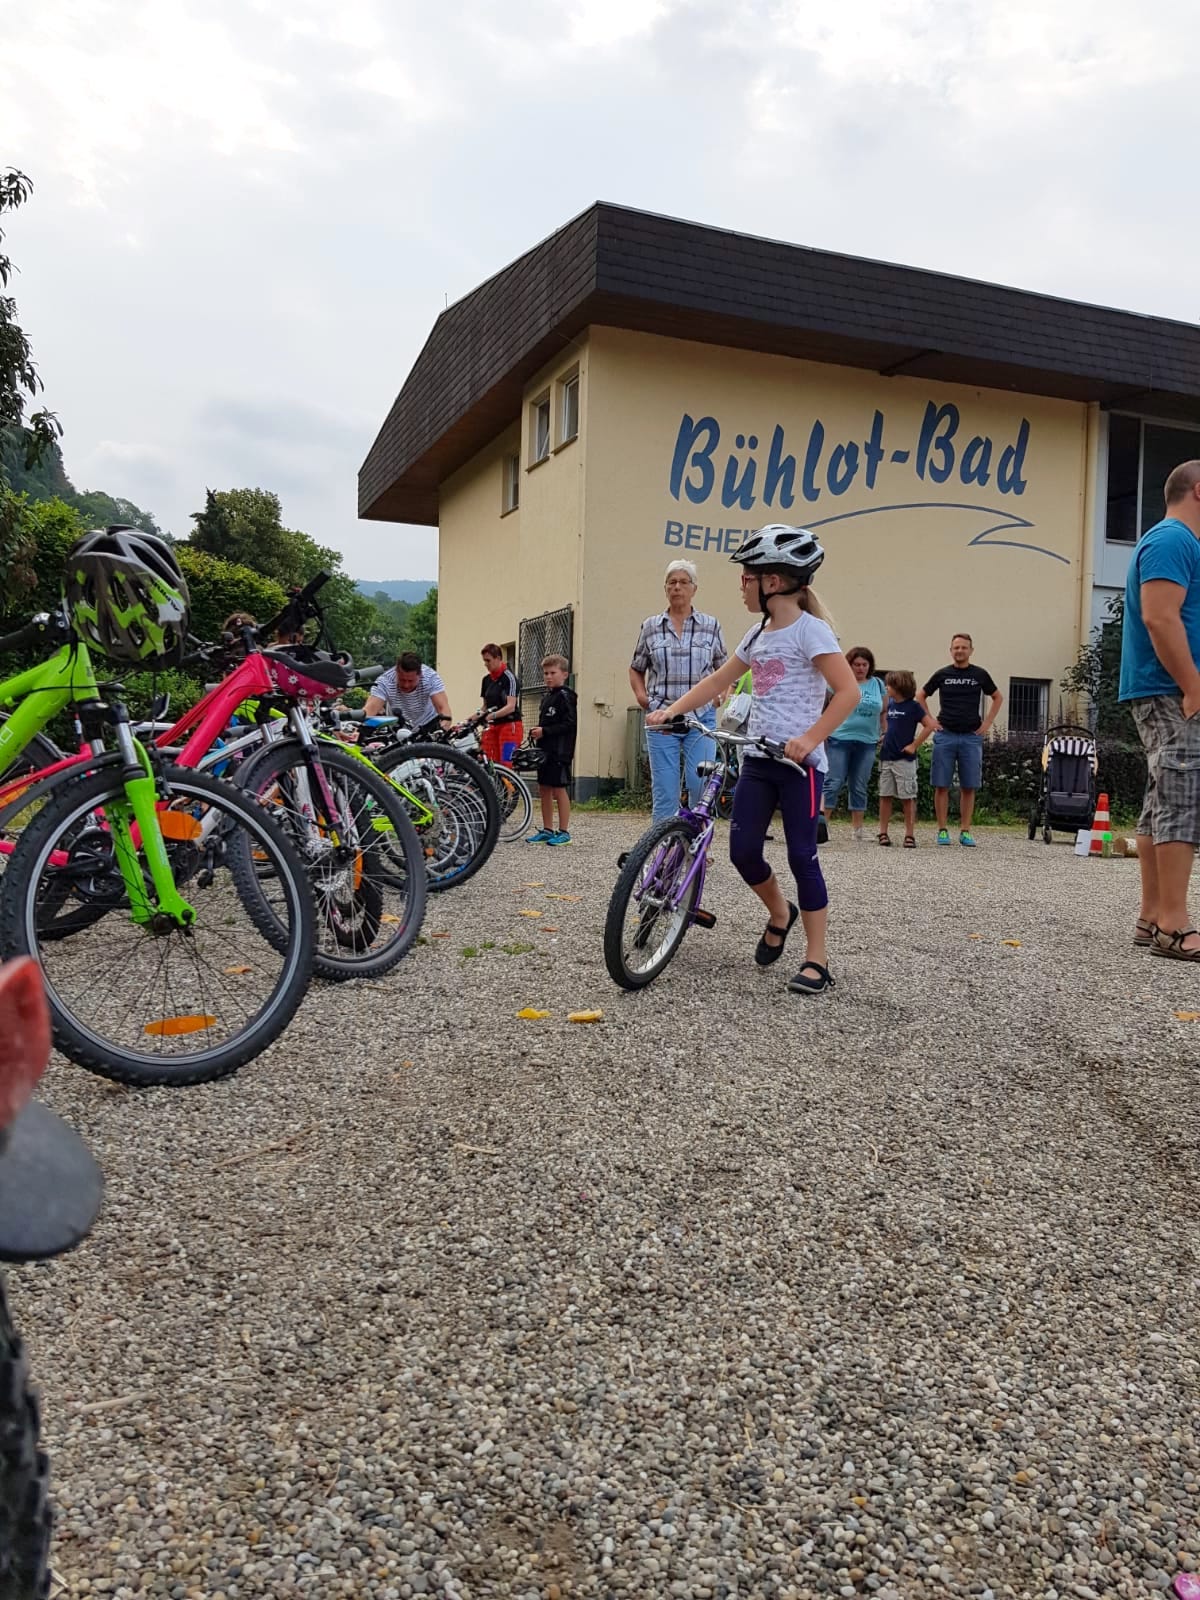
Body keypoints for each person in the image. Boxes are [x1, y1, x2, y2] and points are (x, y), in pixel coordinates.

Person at [648, 524, 858, 996]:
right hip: (759, 759)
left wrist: (809, 739)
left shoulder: (811, 630)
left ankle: (816, 959)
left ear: (773, 581)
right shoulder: (758, 632)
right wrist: (672, 710)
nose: (741, 585)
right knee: (743, 852)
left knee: (803, 856)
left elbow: (848, 693)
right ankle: (779, 913)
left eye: (747, 576)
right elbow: (716, 679)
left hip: (800, 767)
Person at [1118, 459, 1200, 961]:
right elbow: (1159, 616)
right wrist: (1192, 687)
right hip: (1170, 690)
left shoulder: (1176, 541)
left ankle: (1152, 916)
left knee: (1162, 796)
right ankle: (1174, 923)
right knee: (1182, 794)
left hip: (1165, 689)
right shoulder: (1173, 539)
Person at [630, 559, 727, 822]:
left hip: (701, 716)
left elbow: (724, 667)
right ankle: (663, 847)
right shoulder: (651, 626)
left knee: (701, 784)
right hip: (662, 718)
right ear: (665, 588)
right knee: (665, 788)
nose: (677, 587)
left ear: (694, 589)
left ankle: (698, 847)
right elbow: (636, 667)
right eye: (672, 582)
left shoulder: (710, 625)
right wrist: (643, 698)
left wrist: (721, 695)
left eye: (684, 582)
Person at [917, 634, 1003, 847]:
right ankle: (942, 830)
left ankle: (965, 830)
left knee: (969, 786)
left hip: (970, 737)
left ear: (971, 651)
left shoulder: (979, 674)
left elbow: (997, 697)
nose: (960, 651)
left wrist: (987, 724)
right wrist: (930, 721)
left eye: (964, 647)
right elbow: (920, 696)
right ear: (951, 650)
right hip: (945, 735)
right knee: (941, 784)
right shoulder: (943, 674)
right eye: (956, 647)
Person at [822, 646, 885, 841]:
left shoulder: (877, 684)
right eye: (856, 664)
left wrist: (885, 731)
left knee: (859, 784)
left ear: (869, 666)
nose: (860, 668)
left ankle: (858, 830)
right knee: (833, 782)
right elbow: (823, 706)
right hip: (840, 738)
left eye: (864, 664)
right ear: (849, 665)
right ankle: (823, 826)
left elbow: (883, 711)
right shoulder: (839, 682)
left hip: (867, 740)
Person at [877, 670, 937, 847]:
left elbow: (929, 726)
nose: (887, 687)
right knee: (884, 795)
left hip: (904, 759)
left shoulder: (914, 707)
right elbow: (893, 727)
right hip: (887, 756)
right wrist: (885, 736)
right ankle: (883, 832)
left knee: (907, 797)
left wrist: (914, 745)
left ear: (899, 686)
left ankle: (909, 834)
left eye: (889, 684)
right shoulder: (892, 705)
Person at [526, 654, 578, 846]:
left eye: (553, 673)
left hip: (560, 751)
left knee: (559, 789)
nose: (548, 677)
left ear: (564, 674)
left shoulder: (566, 696)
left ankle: (564, 831)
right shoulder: (547, 697)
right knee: (544, 788)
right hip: (545, 750)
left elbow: (569, 724)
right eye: (546, 673)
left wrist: (545, 731)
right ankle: (547, 829)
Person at [364, 650, 452, 729]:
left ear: (420, 675)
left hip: (429, 726)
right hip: (399, 728)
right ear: (396, 672)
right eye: (402, 680)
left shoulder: (431, 678)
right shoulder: (385, 681)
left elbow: (443, 709)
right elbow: (370, 710)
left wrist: (443, 728)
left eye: (410, 681)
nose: (406, 685)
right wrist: (358, 730)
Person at [479, 644, 523, 765]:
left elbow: (511, 706)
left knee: (506, 762)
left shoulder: (509, 678)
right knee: (489, 762)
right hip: (493, 726)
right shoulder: (486, 680)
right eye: (484, 661)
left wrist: (491, 715)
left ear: (498, 658)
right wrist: (475, 716)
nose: (486, 664)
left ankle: (508, 783)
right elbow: (485, 706)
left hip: (510, 725)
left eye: (488, 660)